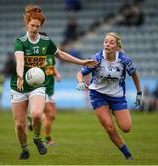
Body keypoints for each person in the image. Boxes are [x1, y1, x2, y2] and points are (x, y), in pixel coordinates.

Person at [10, 4, 97, 160]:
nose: (35, 28)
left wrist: (82, 62)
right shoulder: (20, 41)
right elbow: (20, 61)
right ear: (27, 24)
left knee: (36, 114)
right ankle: (24, 149)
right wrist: (20, 76)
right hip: (19, 85)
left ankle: (37, 138)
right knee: (20, 125)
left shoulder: (46, 41)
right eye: (32, 25)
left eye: (38, 26)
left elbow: (61, 55)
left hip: (38, 85)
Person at [76, 32, 142, 160]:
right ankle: (127, 155)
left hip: (117, 96)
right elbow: (80, 73)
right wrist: (80, 82)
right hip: (98, 95)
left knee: (126, 128)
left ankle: (113, 110)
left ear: (117, 46)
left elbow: (134, 74)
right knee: (109, 127)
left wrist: (139, 93)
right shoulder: (96, 59)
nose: (107, 44)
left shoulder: (124, 60)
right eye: (106, 41)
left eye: (111, 42)